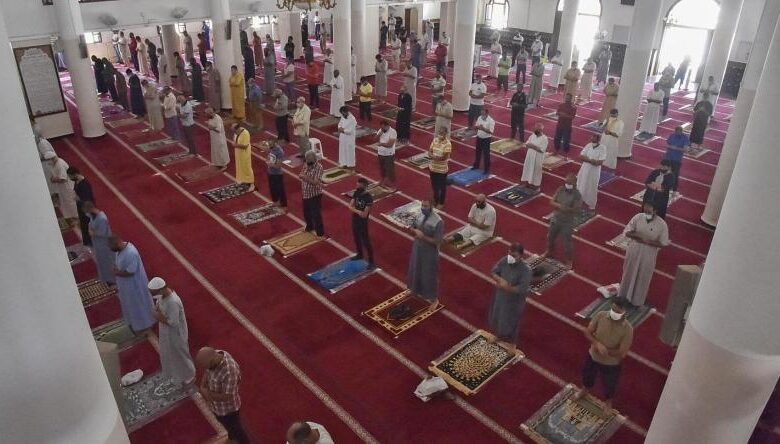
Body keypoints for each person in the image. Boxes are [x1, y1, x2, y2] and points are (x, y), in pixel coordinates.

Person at [579, 297, 633, 408]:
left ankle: (608, 402)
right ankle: (584, 390)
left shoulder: (628, 329)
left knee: (609, 384)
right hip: (593, 356)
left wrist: (606, 352)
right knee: (587, 376)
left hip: (611, 363)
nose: (614, 313)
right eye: (613, 309)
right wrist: (597, 344)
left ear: (624, 312)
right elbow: (587, 332)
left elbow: (622, 353)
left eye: (617, 312)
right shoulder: (601, 315)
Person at [618, 203, 670, 307]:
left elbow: (663, 243)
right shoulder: (638, 217)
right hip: (634, 249)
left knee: (643, 277)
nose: (646, 214)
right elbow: (627, 232)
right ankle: (622, 296)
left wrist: (648, 242)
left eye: (649, 212)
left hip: (648, 254)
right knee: (628, 272)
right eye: (645, 211)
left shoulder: (662, 224)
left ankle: (637, 301)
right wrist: (638, 236)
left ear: (655, 211)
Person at [195, 347, 249, 444]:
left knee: (237, 430)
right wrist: (203, 386)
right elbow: (207, 372)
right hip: (217, 407)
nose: (206, 369)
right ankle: (232, 437)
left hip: (228, 410)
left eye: (206, 366)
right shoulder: (215, 356)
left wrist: (207, 393)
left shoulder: (230, 371)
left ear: (212, 361)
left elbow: (227, 396)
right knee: (228, 426)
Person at [148, 277, 195, 387]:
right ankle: (177, 374)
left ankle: (189, 375)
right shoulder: (162, 296)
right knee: (170, 353)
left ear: (161, 290)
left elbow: (173, 322)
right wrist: (158, 312)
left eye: (154, 293)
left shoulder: (173, 301)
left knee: (180, 354)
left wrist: (158, 316)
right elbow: (159, 307)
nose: (153, 296)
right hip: (166, 331)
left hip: (176, 333)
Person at [487, 243, 531, 352]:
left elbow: (522, 289)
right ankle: (498, 335)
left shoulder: (526, 270)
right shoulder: (504, 260)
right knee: (498, 317)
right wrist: (500, 280)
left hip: (514, 301)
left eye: (514, 255)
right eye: (509, 254)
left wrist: (507, 287)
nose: (510, 257)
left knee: (512, 322)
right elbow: (494, 272)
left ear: (520, 256)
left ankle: (512, 343)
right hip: (501, 297)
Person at [109, 236, 156, 333]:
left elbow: (131, 272)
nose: (111, 249)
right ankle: (137, 323)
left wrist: (116, 273)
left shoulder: (131, 253)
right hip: (126, 286)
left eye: (112, 247)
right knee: (131, 305)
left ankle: (146, 324)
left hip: (135, 285)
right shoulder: (120, 250)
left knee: (139, 304)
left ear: (117, 243)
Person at [407, 198, 444, 307]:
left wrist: (423, 237)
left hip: (429, 253)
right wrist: (414, 231)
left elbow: (438, 241)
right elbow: (412, 227)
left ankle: (434, 299)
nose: (423, 208)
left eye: (426, 206)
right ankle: (415, 290)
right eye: (422, 205)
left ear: (431, 206)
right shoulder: (419, 214)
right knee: (415, 269)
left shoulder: (438, 221)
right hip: (417, 248)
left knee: (428, 275)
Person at [543, 174, 582, 267]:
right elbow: (551, 201)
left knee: (567, 242)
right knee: (550, 237)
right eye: (566, 182)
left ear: (575, 183)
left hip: (567, 222)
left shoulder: (577, 195)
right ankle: (549, 251)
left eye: (569, 183)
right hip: (556, 219)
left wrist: (566, 209)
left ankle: (569, 260)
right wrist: (560, 206)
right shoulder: (560, 189)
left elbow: (576, 210)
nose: (567, 184)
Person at [347, 177, 376, 268]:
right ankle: (360, 254)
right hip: (355, 219)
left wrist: (356, 211)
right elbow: (350, 206)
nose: (357, 186)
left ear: (364, 186)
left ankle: (371, 261)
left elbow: (364, 215)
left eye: (358, 185)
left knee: (365, 241)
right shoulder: (356, 192)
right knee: (356, 237)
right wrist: (359, 212)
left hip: (363, 222)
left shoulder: (368, 198)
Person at [83, 202, 114, 284]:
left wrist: (92, 233)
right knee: (101, 261)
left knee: (107, 261)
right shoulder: (93, 215)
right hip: (98, 243)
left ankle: (111, 279)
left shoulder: (102, 218)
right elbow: (90, 222)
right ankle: (105, 277)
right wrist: (90, 228)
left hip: (104, 244)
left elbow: (102, 233)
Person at [576, 134, 607, 211]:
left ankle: (590, 204)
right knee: (581, 184)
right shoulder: (588, 145)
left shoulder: (603, 148)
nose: (592, 138)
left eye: (594, 137)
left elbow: (599, 162)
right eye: (592, 137)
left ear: (598, 139)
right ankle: (579, 201)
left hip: (594, 172)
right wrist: (591, 160)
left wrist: (588, 159)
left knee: (592, 186)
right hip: (584, 169)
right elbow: (581, 156)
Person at [44, 152, 78, 222]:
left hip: (67, 188)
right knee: (66, 202)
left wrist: (54, 180)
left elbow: (63, 179)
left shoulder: (60, 165)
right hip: (63, 188)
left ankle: (76, 217)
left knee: (71, 202)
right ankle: (71, 216)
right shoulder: (56, 163)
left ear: (52, 158)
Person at [67, 167, 95, 245]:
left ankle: (91, 241)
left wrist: (78, 198)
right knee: (83, 225)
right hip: (81, 208)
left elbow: (87, 199)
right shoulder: (77, 182)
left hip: (86, 209)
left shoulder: (84, 184)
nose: (70, 178)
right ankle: (87, 241)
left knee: (87, 225)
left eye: (70, 176)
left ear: (75, 174)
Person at [299, 150, 325, 237]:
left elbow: (315, 182)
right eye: (306, 159)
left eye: (308, 159)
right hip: (306, 194)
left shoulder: (319, 167)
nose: (307, 161)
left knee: (316, 214)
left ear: (314, 158)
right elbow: (300, 174)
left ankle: (320, 232)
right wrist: (304, 176)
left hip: (315, 194)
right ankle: (310, 226)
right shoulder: (306, 164)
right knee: (306, 213)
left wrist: (305, 177)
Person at [520, 123, 548, 189]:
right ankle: (526, 183)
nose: (534, 130)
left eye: (536, 129)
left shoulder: (544, 139)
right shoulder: (532, 135)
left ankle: (536, 186)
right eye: (534, 129)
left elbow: (542, 150)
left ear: (540, 130)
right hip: (529, 156)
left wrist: (533, 146)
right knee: (527, 169)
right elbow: (527, 144)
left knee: (536, 172)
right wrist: (529, 145)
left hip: (537, 158)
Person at [429, 127, 452, 209]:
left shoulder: (448, 144)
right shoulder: (435, 140)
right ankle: (436, 200)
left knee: (442, 187)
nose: (440, 134)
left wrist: (435, 158)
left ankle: (441, 202)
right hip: (433, 168)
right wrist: (432, 156)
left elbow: (444, 157)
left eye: (442, 133)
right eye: (439, 132)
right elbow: (430, 151)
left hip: (442, 170)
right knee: (434, 186)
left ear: (446, 134)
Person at [665, 126, 689, 192]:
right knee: (666, 172)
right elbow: (667, 144)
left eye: (678, 132)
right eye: (676, 132)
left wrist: (675, 148)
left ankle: (674, 189)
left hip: (677, 159)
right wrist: (670, 147)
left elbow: (685, 150)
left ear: (681, 132)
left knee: (675, 175)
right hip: (668, 157)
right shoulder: (672, 135)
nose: (677, 133)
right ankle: (666, 186)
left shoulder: (685, 138)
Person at [232, 123, 254, 192]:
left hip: (245, 153)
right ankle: (242, 179)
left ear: (237, 129)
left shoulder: (245, 133)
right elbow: (235, 140)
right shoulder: (236, 133)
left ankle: (252, 184)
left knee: (247, 167)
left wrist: (236, 145)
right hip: (238, 153)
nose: (233, 132)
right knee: (240, 167)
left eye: (234, 131)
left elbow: (245, 146)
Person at [266, 138, 288, 209]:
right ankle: (275, 202)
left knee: (280, 190)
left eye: (270, 144)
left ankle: (284, 204)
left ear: (275, 143)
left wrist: (270, 164)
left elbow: (278, 166)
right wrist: (268, 160)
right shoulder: (271, 148)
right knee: (272, 189)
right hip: (270, 172)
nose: (269, 145)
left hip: (277, 174)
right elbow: (269, 157)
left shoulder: (280, 152)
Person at [375, 120, 397, 189]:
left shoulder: (393, 132)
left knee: (389, 169)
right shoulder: (381, 130)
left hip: (389, 154)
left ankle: (390, 183)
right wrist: (379, 134)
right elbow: (375, 139)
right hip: (380, 153)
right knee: (382, 169)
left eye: (383, 127)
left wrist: (381, 144)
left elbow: (390, 145)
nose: (382, 129)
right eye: (381, 127)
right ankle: (383, 180)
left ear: (387, 126)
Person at [554, 93, 577, 157]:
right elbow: (557, 113)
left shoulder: (573, 107)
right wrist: (563, 114)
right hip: (560, 124)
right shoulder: (561, 105)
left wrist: (564, 115)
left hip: (567, 126)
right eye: (566, 97)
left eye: (568, 98)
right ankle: (556, 149)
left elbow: (572, 117)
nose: (567, 99)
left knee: (566, 140)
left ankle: (565, 153)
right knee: (557, 138)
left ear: (571, 99)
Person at [473, 108, 495, 174]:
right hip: (479, 138)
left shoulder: (491, 121)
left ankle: (486, 169)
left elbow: (491, 131)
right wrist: (477, 127)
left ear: (487, 114)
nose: (482, 115)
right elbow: (476, 126)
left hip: (486, 139)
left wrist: (483, 129)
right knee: (478, 153)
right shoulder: (479, 117)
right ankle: (476, 165)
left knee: (486, 154)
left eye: (483, 113)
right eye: (481, 113)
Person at [337, 106, 357, 170]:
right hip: (342, 137)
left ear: (346, 112)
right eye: (342, 114)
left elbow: (350, 131)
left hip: (349, 139)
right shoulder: (343, 116)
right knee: (343, 151)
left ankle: (351, 166)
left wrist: (342, 130)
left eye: (343, 113)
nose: (342, 115)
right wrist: (339, 128)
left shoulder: (352, 119)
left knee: (349, 152)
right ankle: (343, 164)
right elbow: (339, 124)